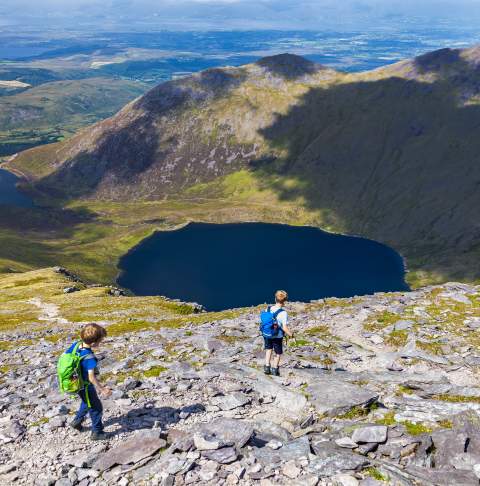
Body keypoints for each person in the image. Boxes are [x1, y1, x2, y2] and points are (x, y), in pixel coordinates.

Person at [68, 323, 112, 440]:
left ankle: (77, 421)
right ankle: (97, 432)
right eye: (100, 340)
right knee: (96, 407)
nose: (101, 342)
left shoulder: (76, 345)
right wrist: (102, 389)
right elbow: (92, 377)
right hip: (86, 385)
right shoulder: (89, 357)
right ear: (93, 343)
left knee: (86, 401)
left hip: (76, 383)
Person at [264, 290, 293, 377]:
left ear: (275, 299)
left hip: (267, 333)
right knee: (278, 353)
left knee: (268, 349)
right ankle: (275, 369)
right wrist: (291, 334)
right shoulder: (283, 313)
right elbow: (284, 328)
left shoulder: (268, 309)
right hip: (277, 336)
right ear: (285, 301)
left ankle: (267, 367)